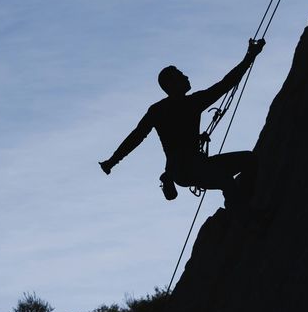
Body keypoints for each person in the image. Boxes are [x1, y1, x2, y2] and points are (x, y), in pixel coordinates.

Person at [99, 39, 265, 209]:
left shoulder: (159, 110)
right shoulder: (191, 103)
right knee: (230, 175)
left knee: (248, 160)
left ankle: (239, 209)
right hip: (191, 167)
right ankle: (240, 214)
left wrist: (112, 161)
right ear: (172, 84)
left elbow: (136, 137)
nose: (186, 76)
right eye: (180, 75)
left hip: (183, 169)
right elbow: (226, 84)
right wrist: (249, 57)